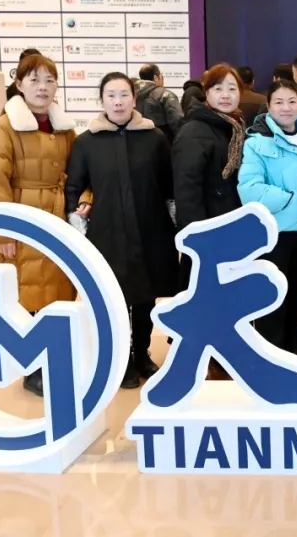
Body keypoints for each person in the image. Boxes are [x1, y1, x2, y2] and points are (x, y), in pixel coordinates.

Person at [65, 73, 179, 389]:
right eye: (111, 95)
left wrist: (173, 219)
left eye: (124, 95)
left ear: (134, 99)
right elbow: (74, 186)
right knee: (116, 298)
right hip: (108, 232)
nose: (118, 102)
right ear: (102, 100)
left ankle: (142, 352)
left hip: (150, 227)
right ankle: (122, 359)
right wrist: (78, 211)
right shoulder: (86, 142)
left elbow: (168, 183)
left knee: (146, 296)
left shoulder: (154, 138)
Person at [0, 52, 78, 397]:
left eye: (50, 80)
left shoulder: (64, 128)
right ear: (19, 84)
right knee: (27, 295)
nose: (43, 87)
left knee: (56, 295)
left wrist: (84, 202)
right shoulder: (5, 126)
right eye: (34, 80)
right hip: (21, 222)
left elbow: (80, 172)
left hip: (57, 220)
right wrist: (1, 233)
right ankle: (31, 368)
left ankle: (53, 362)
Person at [172, 63, 247, 380]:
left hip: (231, 226)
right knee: (204, 294)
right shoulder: (195, 130)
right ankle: (203, 355)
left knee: (227, 293)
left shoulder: (236, 127)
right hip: (208, 230)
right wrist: (197, 236)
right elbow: (186, 189)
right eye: (218, 88)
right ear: (206, 93)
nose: (226, 95)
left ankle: (223, 350)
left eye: (232, 88)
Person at [238, 80, 297, 354]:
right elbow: (249, 189)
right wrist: (290, 198)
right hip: (272, 237)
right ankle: (267, 363)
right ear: (268, 106)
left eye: (291, 101)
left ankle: (291, 360)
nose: (286, 108)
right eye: (278, 102)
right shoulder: (257, 143)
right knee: (270, 306)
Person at [134, 63, 183, 141]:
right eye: (161, 77)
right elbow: (178, 121)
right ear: (155, 78)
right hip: (164, 143)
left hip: (138, 142)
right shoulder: (166, 95)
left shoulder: (132, 95)